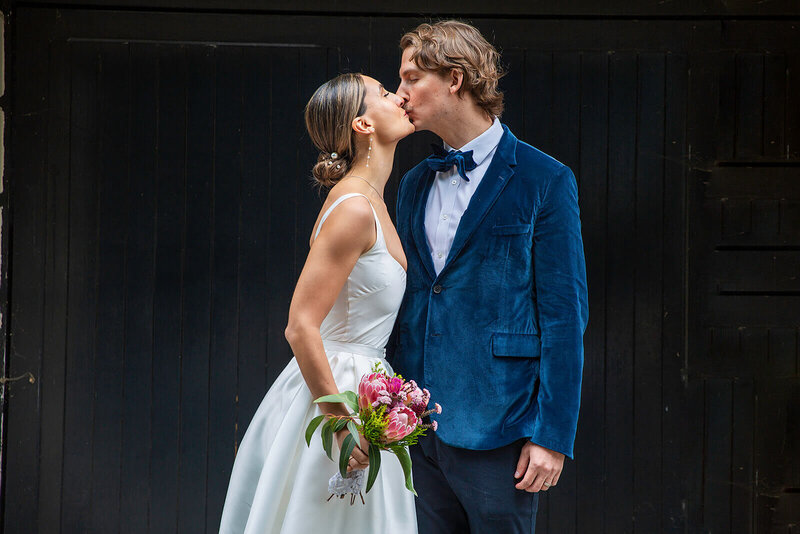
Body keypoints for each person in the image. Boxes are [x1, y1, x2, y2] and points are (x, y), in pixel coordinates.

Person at [391, 20, 589, 533]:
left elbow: (565, 317)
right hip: (416, 430)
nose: (400, 94)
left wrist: (552, 436)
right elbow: (416, 298)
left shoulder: (545, 179)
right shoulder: (414, 183)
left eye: (413, 78)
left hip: (500, 427)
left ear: (454, 79)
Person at [218, 73, 417, 533]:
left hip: (370, 392)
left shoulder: (375, 203)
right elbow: (300, 325)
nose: (399, 96)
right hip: (336, 398)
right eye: (386, 93)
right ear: (363, 125)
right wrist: (340, 423)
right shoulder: (352, 208)